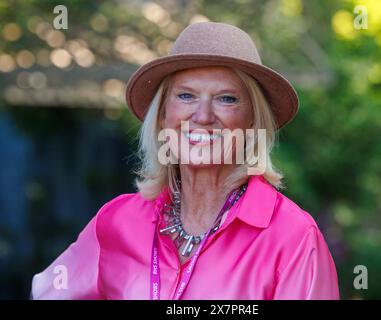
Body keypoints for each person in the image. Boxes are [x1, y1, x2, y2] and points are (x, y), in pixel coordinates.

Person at [30, 21, 339, 300]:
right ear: (163, 117)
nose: (202, 117)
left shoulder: (293, 237)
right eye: (186, 96)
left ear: (252, 122)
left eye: (226, 99)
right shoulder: (116, 222)